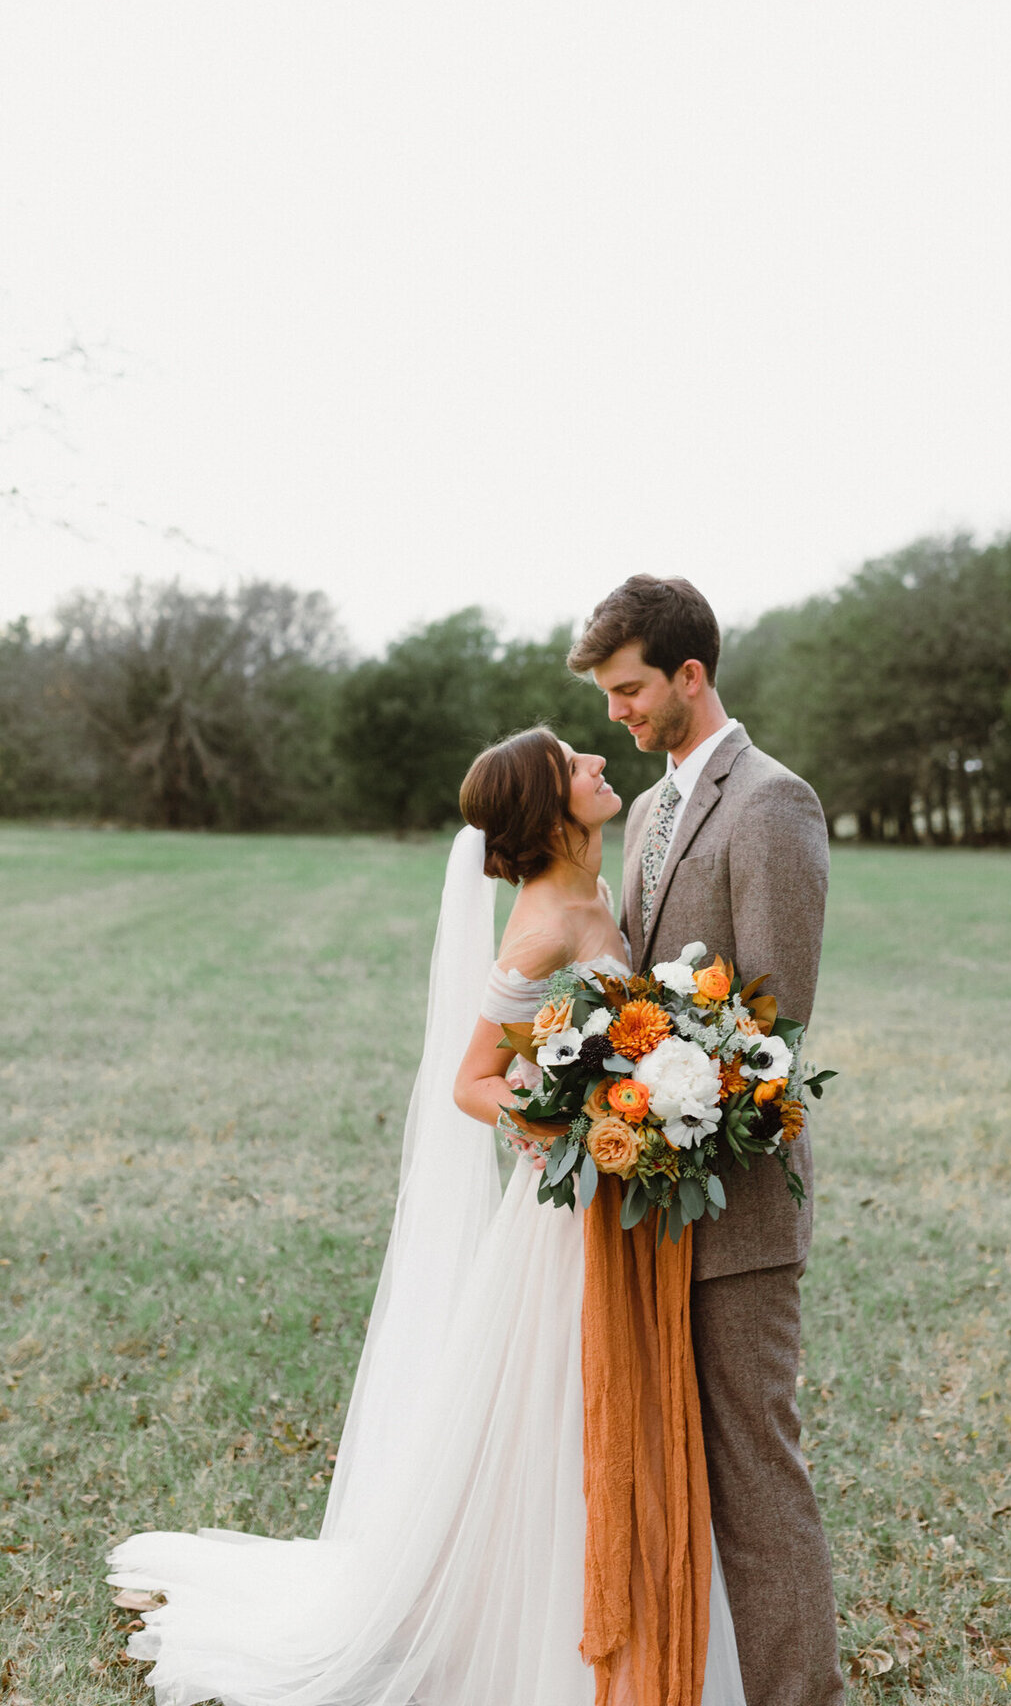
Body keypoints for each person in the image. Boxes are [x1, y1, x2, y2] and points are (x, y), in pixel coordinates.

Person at [108, 726, 747, 1706]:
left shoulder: (591, 889)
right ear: (550, 802)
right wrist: (581, 1116)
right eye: (578, 763)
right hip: (573, 1211)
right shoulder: (540, 921)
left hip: (623, 1194)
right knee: (568, 1412)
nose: (597, 765)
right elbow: (472, 1081)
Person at [568, 575, 846, 1706]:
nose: (617, 714)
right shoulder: (646, 812)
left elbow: (776, 1019)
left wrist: (670, 1097)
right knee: (675, 1464)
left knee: (755, 1472)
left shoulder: (773, 802)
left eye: (630, 689)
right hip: (652, 1203)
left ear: (691, 674)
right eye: (607, 695)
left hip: (738, 1207)